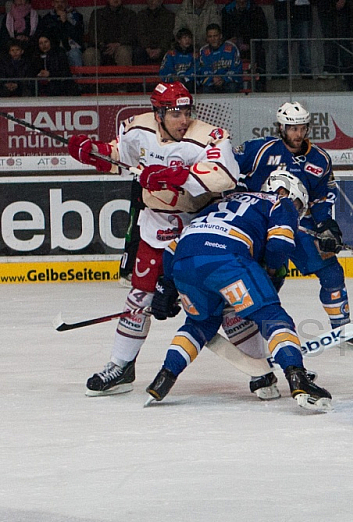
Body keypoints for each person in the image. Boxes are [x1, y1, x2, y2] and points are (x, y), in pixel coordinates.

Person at [66, 82, 273, 399]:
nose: (183, 119)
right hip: (156, 224)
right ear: (158, 112)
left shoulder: (210, 135)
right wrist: (94, 152)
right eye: (175, 113)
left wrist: (172, 174)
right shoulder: (137, 128)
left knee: (229, 303)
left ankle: (262, 369)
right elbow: (121, 157)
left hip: (201, 228)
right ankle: (121, 366)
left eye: (187, 111)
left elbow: (224, 175)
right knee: (139, 298)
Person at [144, 172, 333, 412]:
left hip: (184, 260)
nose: (296, 212)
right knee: (272, 316)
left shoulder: (225, 200)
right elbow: (280, 244)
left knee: (199, 324)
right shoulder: (279, 202)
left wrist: (167, 286)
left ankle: (163, 378)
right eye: (298, 205)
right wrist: (272, 272)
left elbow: (173, 249)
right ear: (288, 193)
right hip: (228, 258)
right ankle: (299, 380)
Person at [236, 101, 353, 349]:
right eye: (292, 128)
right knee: (263, 277)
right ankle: (252, 329)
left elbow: (321, 198)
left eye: (301, 128)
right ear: (281, 127)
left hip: (299, 224)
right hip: (259, 223)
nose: (297, 134)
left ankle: (342, 327)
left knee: (331, 270)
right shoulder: (260, 149)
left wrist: (326, 225)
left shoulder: (319, 159)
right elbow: (226, 165)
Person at [82, 0, 138, 67]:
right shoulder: (97, 14)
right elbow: (92, 34)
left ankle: (124, 77)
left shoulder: (130, 14)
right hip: (100, 47)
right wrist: (103, 45)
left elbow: (132, 34)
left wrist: (118, 44)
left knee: (123, 53)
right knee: (89, 54)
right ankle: (93, 77)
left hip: (121, 45)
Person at [197, 23, 243, 93]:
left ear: (220, 36)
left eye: (215, 36)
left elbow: (237, 68)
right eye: (210, 36)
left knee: (232, 87)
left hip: (228, 82)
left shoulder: (231, 47)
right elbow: (202, 71)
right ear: (207, 38)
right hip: (211, 83)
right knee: (205, 89)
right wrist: (213, 79)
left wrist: (223, 79)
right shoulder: (203, 51)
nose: (213, 39)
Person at [37, 0, 84, 67]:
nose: (59, 4)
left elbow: (78, 35)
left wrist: (65, 22)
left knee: (74, 54)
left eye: (62, 2)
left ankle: (78, 77)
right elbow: (45, 36)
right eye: (57, 2)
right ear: (52, 3)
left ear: (66, 3)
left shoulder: (76, 16)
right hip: (54, 48)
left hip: (72, 48)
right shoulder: (47, 19)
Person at [274, 0, 313, 77]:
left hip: (302, 8)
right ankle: (282, 70)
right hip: (282, 8)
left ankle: (305, 70)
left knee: (304, 43)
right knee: (282, 43)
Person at [135, 0, 175, 65]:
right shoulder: (141, 15)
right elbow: (140, 34)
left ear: (161, 1)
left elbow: (168, 35)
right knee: (138, 52)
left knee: (171, 52)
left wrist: (160, 49)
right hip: (146, 48)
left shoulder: (169, 16)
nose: (151, 1)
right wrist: (147, 48)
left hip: (163, 47)